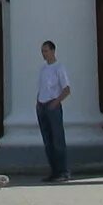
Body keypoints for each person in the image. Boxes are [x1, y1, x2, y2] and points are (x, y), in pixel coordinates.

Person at [33, 40, 71, 184]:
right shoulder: (43, 69)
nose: (44, 54)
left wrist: (55, 103)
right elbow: (41, 87)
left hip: (52, 105)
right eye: (42, 51)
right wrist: (38, 102)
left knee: (57, 140)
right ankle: (54, 171)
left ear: (53, 51)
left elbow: (66, 89)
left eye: (46, 51)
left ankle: (63, 171)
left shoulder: (59, 67)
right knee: (48, 141)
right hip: (42, 106)